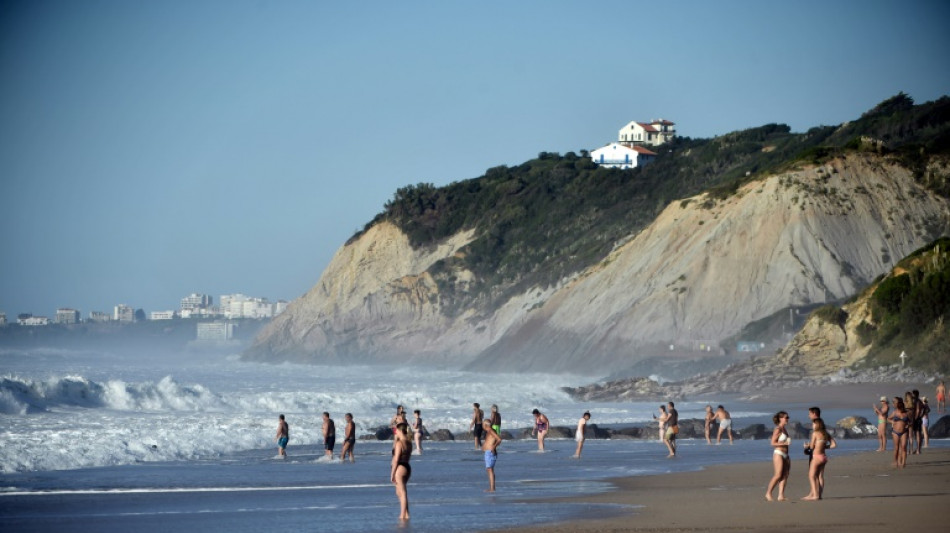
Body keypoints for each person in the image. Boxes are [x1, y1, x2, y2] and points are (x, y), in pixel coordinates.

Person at [802, 417, 836, 501]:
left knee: (811, 476)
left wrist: (806, 446)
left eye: (813, 424)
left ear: (817, 425)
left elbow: (811, 447)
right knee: (820, 476)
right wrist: (824, 447)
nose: (812, 425)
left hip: (816, 457)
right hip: (823, 457)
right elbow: (834, 445)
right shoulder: (826, 434)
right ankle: (819, 495)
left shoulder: (815, 433)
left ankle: (815, 495)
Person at [765, 411, 790, 502]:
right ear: (780, 419)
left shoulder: (784, 429)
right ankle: (768, 493)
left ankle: (781, 495)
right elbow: (772, 443)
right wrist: (784, 443)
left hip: (786, 454)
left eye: (788, 417)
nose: (787, 419)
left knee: (785, 475)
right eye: (786, 417)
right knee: (778, 474)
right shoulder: (778, 429)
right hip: (779, 453)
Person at [390, 422, 412, 521]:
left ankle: (402, 515)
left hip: (400, 467)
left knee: (402, 492)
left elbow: (396, 459)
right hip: (407, 466)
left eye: (396, 430)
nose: (395, 432)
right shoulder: (409, 442)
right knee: (398, 492)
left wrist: (392, 474)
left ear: (400, 431)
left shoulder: (400, 443)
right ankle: (406, 513)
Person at [482, 419, 501, 492]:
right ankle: (491, 487)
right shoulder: (489, 431)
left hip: (490, 452)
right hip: (488, 452)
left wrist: (493, 447)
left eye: (483, 424)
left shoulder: (490, 430)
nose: (482, 426)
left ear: (485, 425)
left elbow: (499, 439)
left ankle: (492, 488)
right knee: (489, 470)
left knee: (490, 469)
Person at [889, 397, 909, 468]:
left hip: (904, 432)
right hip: (895, 432)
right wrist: (892, 422)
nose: (893, 404)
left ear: (899, 404)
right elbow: (888, 419)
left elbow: (911, 421)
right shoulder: (894, 412)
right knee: (896, 448)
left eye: (894, 403)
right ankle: (895, 461)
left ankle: (903, 463)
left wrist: (908, 424)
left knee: (903, 447)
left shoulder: (906, 413)